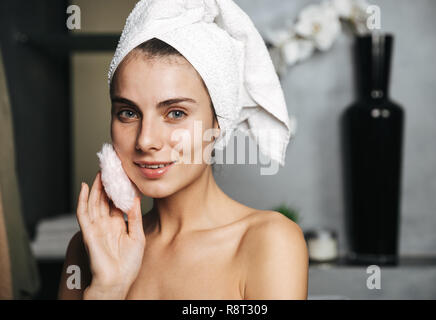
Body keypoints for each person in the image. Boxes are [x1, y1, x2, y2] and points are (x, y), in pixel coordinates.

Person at [58, 1, 308, 300]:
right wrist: (108, 289)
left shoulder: (268, 242)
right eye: (128, 113)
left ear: (218, 123)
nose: (145, 140)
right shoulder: (90, 247)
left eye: (175, 113)